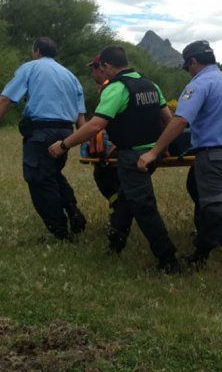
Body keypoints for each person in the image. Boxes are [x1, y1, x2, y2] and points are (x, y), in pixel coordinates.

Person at [138, 40, 222, 298]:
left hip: (213, 158)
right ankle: (200, 254)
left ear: (194, 62)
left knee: (219, 213)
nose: (188, 71)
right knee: (199, 193)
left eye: (188, 66)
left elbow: (180, 120)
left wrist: (154, 151)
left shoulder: (199, 84)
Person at [48, 46, 180, 274]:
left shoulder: (117, 88)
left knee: (144, 208)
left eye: (101, 68)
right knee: (127, 200)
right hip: (151, 155)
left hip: (133, 157)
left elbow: (97, 124)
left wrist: (64, 144)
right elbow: (168, 120)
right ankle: (114, 245)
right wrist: (162, 148)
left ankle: (169, 261)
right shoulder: (150, 84)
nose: (101, 72)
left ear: (107, 66)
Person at [0, 37, 87, 242]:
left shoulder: (30, 68)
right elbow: (81, 115)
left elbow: (5, 99)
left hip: (41, 133)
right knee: (53, 174)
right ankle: (72, 210)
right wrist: (83, 141)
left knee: (39, 180)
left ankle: (60, 233)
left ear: (37, 51)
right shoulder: (71, 76)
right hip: (66, 133)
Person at [84, 54, 124, 227]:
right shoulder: (114, 87)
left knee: (104, 177)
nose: (93, 74)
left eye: (94, 69)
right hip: (120, 145)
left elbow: (102, 123)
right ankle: (118, 212)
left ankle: (119, 213)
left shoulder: (110, 88)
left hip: (117, 148)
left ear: (102, 68)